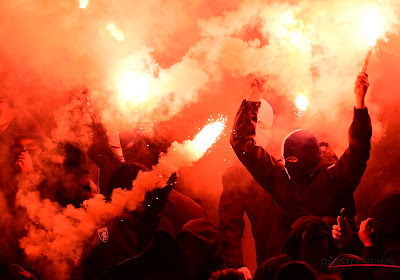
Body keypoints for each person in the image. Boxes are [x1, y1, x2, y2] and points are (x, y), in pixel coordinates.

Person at [230, 72, 371, 229]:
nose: (287, 165)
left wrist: (360, 102)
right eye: (285, 159)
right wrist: (255, 95)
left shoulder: (335, 178)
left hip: (334, 252)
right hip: (296, 253)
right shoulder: (281, 178)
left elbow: (359, 150)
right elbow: (242, 144)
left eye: (291, 160)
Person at [219, 99, 288, 278]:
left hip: (305, 254)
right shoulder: (235, 175)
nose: (257, 131)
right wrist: (237, 266)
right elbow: (229, 226)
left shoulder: (289, 157)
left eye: (263, 126)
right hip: (271, 262)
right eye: (253, 124)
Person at [253, 216, 335, 280]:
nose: (316, 256)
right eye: (311, 251)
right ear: (297, 246)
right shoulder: (270, 270)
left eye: (320, 251)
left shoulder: (332, 268)